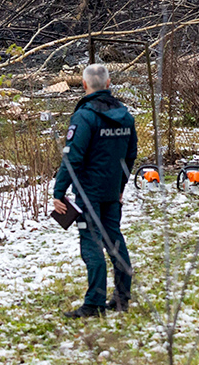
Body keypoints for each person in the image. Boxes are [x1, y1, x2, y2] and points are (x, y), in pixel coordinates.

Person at [52, 63, 138, 318]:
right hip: (112, 191)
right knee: (114, 240)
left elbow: (72, 158)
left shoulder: (84, 116)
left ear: (84, 84)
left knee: (91, 244)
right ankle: (122, 298)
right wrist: (120, 186)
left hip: (88, 192)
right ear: (109, 84)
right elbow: (130, 155)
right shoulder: (125, 115)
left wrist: (59, 192)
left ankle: (94, 304)